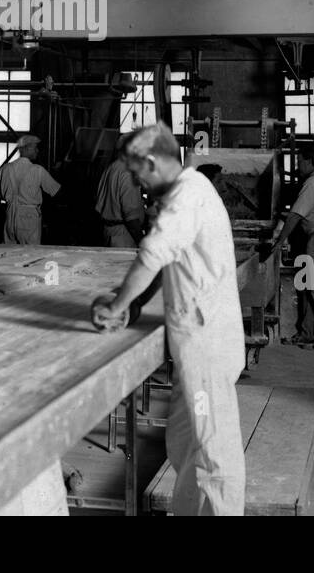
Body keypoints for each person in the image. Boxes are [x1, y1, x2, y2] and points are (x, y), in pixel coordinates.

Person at [91, 123, 245, 516]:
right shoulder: (186, 192)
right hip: (193, 348)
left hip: (206, 347)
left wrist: (115, 305)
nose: (138, 181)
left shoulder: (187, 195)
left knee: (214, 454)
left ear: (152, 162)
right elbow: (168, 260)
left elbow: (152, 254)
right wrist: (137, 304)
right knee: (185, 445)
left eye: (138, 172)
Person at [269, 140, 314, 347]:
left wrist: (280, 240)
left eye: (299, 161)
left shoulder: (312, 183)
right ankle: (307, 333)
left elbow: (295, 215)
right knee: (312, 286)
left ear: (309, 161)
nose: (297, 166)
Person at [0, 134, 61, 245]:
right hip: (29, 218)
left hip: (9, 217)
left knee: (9, 254)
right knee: (30, 254)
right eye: (35, 148)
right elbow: (56, 192)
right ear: (26, 148)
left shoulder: (5, 168)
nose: (37, 151)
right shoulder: (38, 170)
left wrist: (5, 213)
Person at [95, 132, 146, 247]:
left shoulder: (110, 168)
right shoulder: (128, 173)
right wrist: (143, 243)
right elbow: (131, 218)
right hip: (124, 237)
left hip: (108, 232)